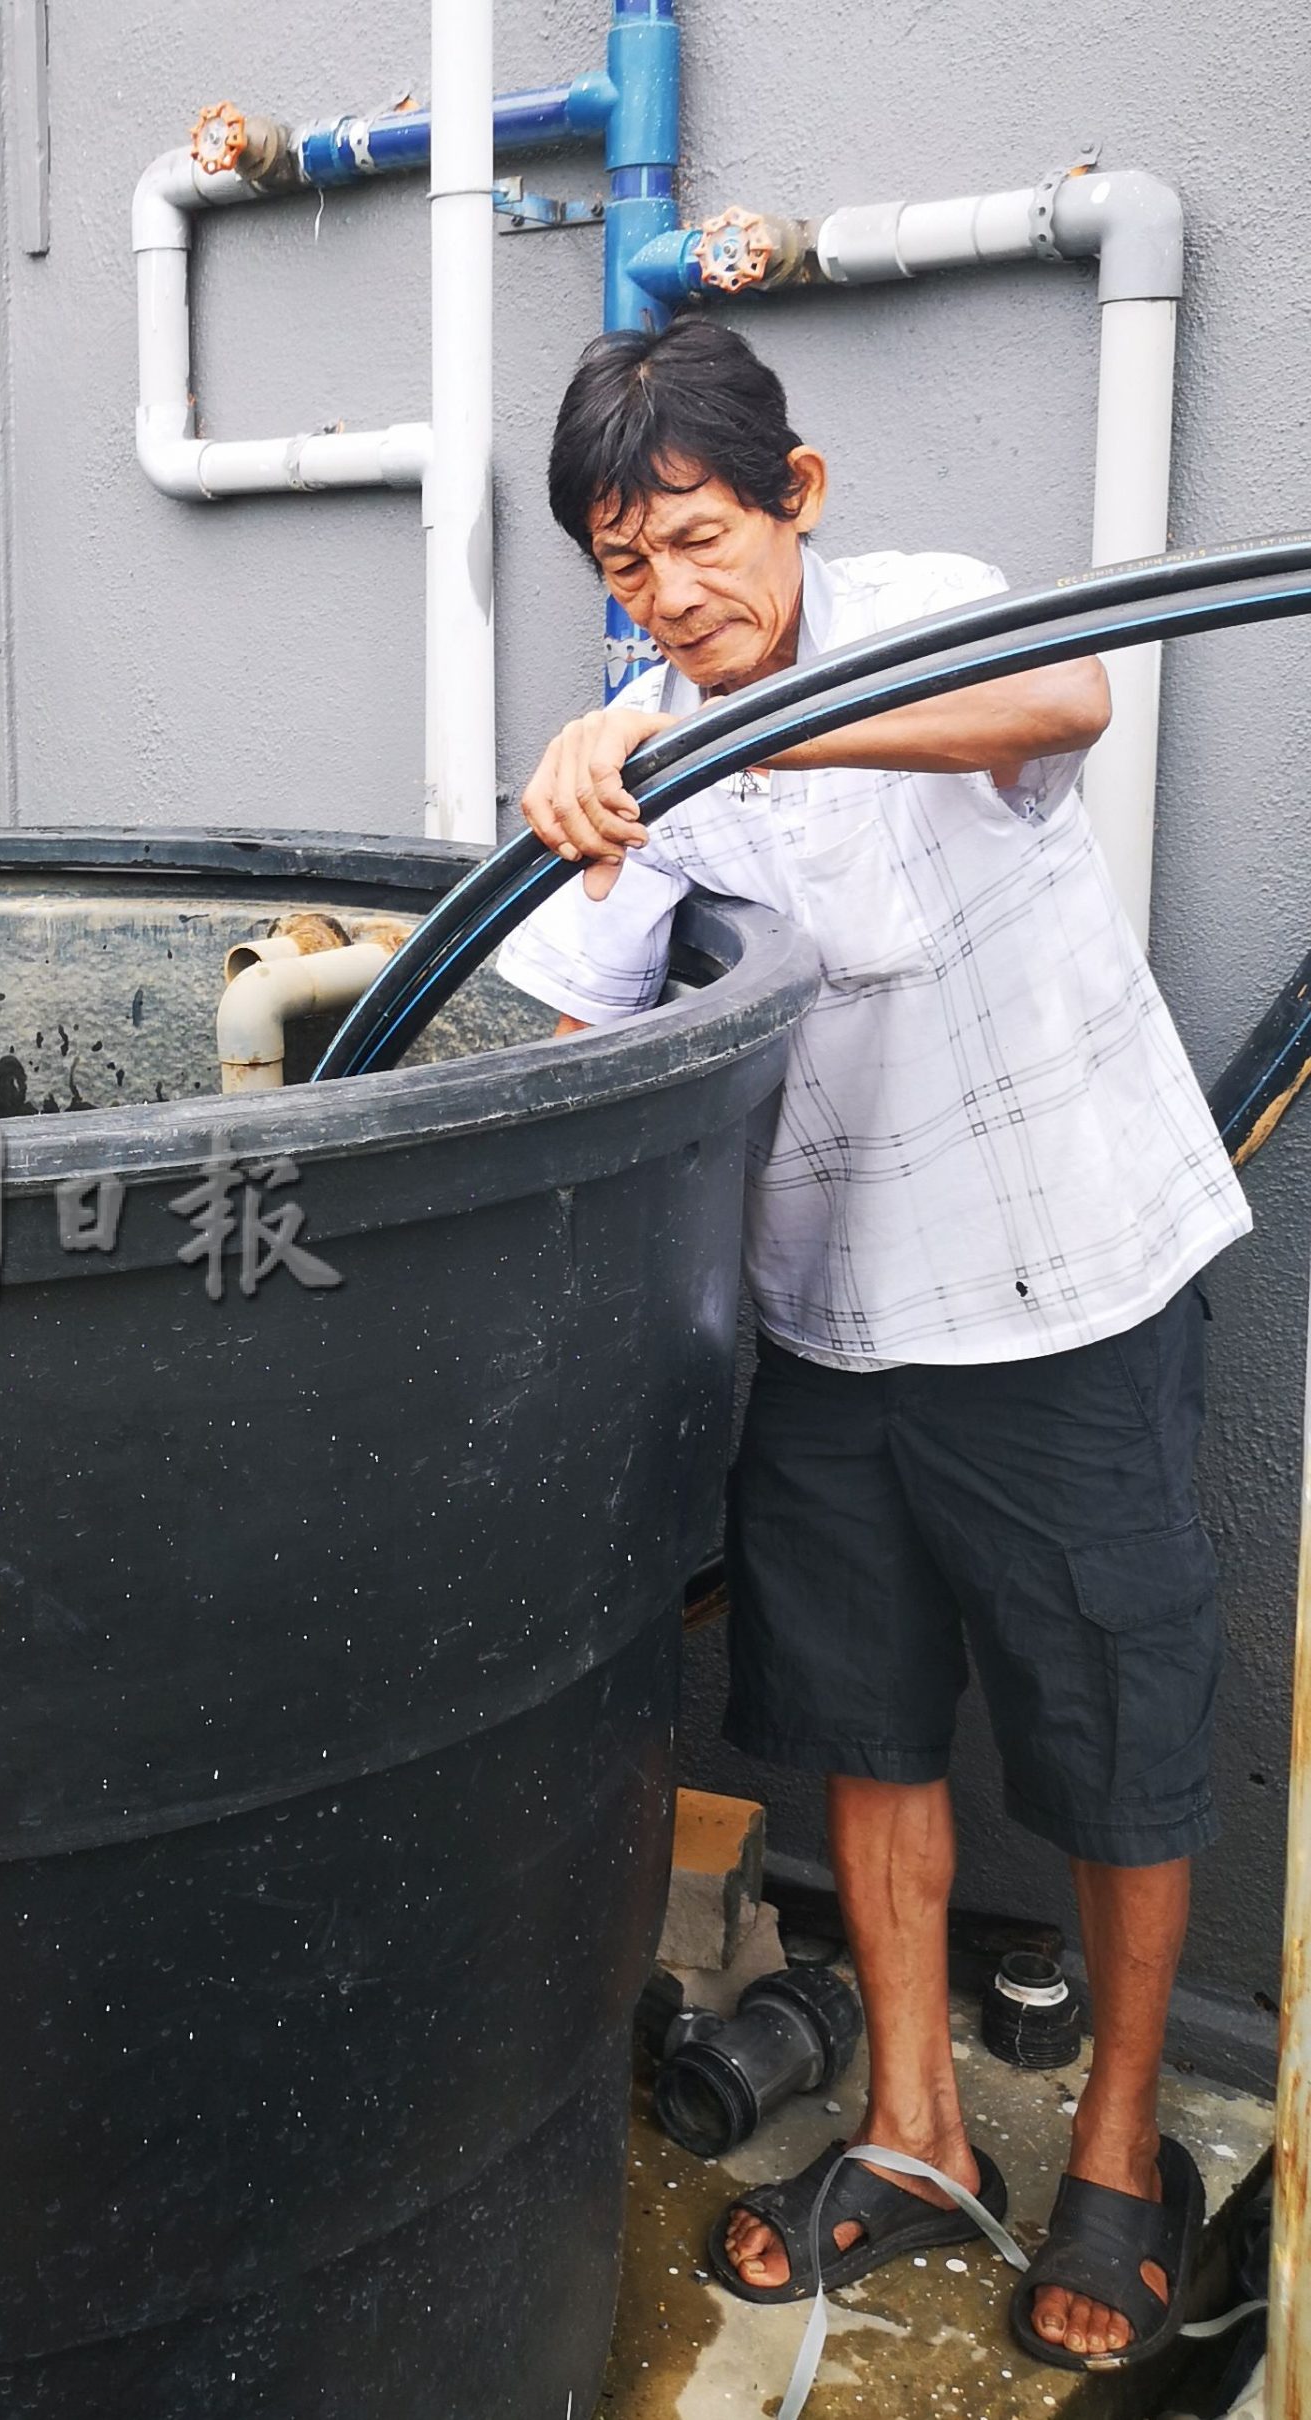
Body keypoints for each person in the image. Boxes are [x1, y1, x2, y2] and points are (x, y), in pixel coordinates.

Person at [496, 316, 1250, 2375]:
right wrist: (580, 794)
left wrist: (736, 736)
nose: (671, 596)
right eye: (625, 568)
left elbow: (1064, 696)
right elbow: (545, 1021)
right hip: (826, 1322)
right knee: (866, 1730)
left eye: (699, 538)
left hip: (1059, 1287)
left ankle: (1111, 2151)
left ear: (796, 497)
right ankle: (914, 2136)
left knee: (1111, 1736)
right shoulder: (642, 732)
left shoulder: (916, 619)